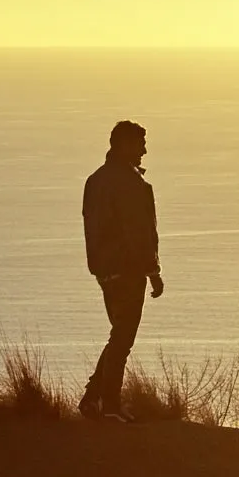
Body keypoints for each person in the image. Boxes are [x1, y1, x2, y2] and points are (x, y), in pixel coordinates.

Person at [79, 118, 163, 420]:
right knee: (122, 339)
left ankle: (92, 399)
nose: (144, 150)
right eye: (140, 143)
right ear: (124, 144)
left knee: (118, 335)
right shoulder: (129, 183)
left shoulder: (95, 180)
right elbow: (138, 232)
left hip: (104, 269)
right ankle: (109, 407)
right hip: (127, 269)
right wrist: (153, 271)